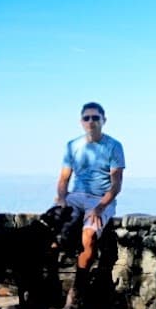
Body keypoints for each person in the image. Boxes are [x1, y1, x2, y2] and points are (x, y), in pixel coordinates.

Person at [55, 101, 125, 274]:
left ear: (103, 120)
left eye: (95, 117)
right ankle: (47, 284)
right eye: (87, 118)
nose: (91, 121)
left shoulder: (114, 146)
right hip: (76, 196)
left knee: (89, 235)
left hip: (100, 198)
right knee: (49, 233)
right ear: (81, 122)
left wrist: (100, 207)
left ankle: (79, 286)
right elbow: (64, 179)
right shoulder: (72, 145)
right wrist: (62, 200)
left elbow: (116, 184)